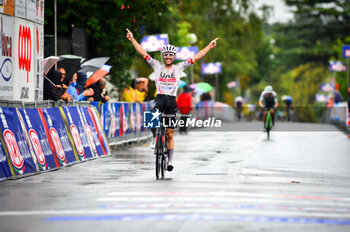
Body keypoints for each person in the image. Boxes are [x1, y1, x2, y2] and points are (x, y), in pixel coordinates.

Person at [126, 28, 218, 172]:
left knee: (169, 133)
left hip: (171, 101)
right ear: (163, 56)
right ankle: (155, 137)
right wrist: (132, 39)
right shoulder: (156, 65)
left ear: (174, 56)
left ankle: (169, 161)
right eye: (166, 55)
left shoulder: (180, 67)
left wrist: (209, 46)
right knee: (151, 116)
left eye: (170, 55)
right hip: (160, 98)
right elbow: (143, 52)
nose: (168, 57)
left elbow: (197, 57)